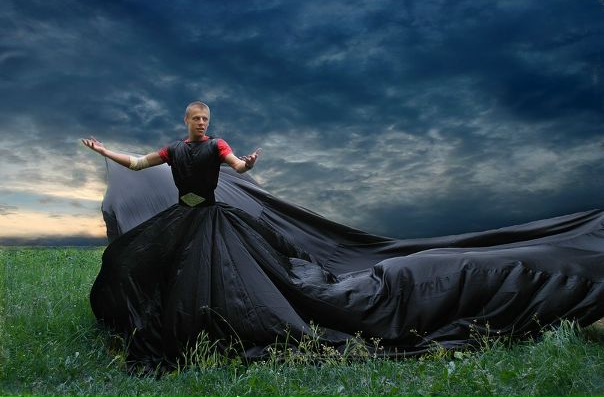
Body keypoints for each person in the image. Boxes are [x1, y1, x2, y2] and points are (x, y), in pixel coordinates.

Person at [83, 101, 604, 371]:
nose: (201, 124)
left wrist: (248, 164)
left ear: (209, 121)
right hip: (184, 219)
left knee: (264, 279)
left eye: (205, 118)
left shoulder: (217, 145)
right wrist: (104, 151)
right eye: (195, 118)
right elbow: (138, 163)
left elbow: (236, 166)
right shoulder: (172, 151)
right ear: (185, 120)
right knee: (170, 270)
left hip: (216, 219)